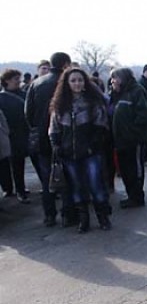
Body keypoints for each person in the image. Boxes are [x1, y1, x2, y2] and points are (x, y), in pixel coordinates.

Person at [49, 68, 111, 232]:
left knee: (95, 184)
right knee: (76, 187)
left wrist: (93, 145)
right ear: (67, 84)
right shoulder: (60, 105)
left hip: (91, 152)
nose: (77, 83)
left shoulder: (93, 102)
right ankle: (83, 219)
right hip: (69, 153)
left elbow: (101, 126)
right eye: (73, 80)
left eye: (80, 80)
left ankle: (103, 217)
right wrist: (57, 146)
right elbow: (54, 129)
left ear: (85, 82)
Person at [25, 52, 75, 227]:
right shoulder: (70, 82)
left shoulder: (36, 84)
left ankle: (49, 215)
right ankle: (68, 215)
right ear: (66, 64)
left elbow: (28, 114)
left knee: (47, 179)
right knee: (68, 177)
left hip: (42, 138)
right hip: (67, 137)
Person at [109, 67, 147, 209]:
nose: (112, 82)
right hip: (121, 141)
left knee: (135, 169)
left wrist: (132, 132)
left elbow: (145, 116)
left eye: (114, 78)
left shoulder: (136, 91)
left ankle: (137, 197)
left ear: (122, 78)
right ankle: (130, 195)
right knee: (124, 170)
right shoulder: (118, 94)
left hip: (134, 141)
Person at [0, 68, 30, 203]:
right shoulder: (2, 98)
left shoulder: (25, 94)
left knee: (23, 162)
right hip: (10, 135)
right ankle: (19, 190)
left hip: (24, 132)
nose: (19, 81)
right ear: (7, 81)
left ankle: (20, 189)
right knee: (16, 164)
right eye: (15, 79)